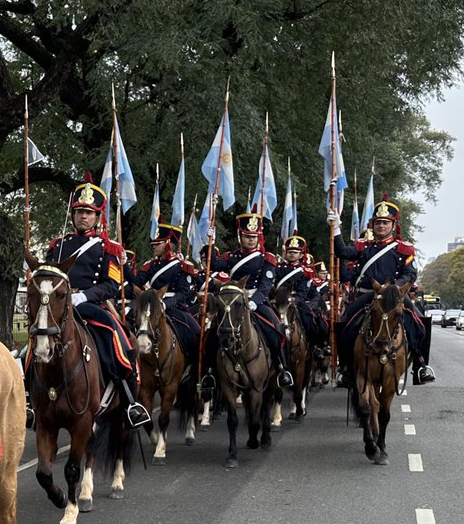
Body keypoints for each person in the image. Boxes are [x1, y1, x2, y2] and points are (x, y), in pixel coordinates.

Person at [33, 176, 151, 430]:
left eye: (88, 212)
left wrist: (83, 296)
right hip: (59, 304)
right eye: (78, 212)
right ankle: (31, 401)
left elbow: (113, 285)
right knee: (35, 337)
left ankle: (130, 402)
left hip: (91, 304)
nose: (82, 217)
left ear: (98, 217)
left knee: (118, 339)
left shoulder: (109, 248)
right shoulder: (58, 245)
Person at [329, 197, 434, 385]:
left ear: (393, 225)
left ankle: (420, 364)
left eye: (385, 223)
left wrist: (393, 288)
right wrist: (336, 228)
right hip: (367, 294)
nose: (381, 226)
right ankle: (345, 368)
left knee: (419, 322)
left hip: (393, 296)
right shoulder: (363, 246)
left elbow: (410, 274)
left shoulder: (404, 249)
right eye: (377, 223)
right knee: (344, 323)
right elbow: (342, 252)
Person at [207, 212, 295, 388]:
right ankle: (209, 373)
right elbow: (214, 265)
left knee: (277, 330)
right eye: (247, 236)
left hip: (256, 302)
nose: (251, 240)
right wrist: (210, 242)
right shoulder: (231, 258)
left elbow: (266, 285)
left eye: (254, 237)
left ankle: (281, 369)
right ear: (240, 237)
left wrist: (254, 301)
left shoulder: (266, 258)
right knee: (212, 334)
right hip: (232, 302)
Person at [130, 222, 201, 360]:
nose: (154, 246)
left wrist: (165, 304)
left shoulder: (182, 266)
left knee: (196, 333)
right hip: (151, 306)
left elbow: (183, 293)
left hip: (174, 307)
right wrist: (123, 266)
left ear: (169, 244)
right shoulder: (150, 265)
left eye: (158, 243)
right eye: (153, 244)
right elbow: (136, 281)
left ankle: (193, 367)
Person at [274, 234, 329, 349]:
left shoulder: (305, 271)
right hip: (278, 301)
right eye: (290, 251)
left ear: (301, 254)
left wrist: (294, 301)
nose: (292, 254)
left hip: (296, 302)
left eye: (295, 252)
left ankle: (315, 346)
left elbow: (303, 292)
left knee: (309, 322)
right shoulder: (277, 268)